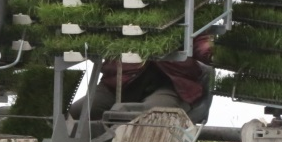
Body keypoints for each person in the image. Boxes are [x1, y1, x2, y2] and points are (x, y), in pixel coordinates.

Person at [69, 33, 214, 122]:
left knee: (151, 115)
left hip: (171, 84)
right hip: (121, 81)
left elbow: (202, 45)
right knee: (81, 110)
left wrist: (213, 52)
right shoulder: (120, 8)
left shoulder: (184, 11)